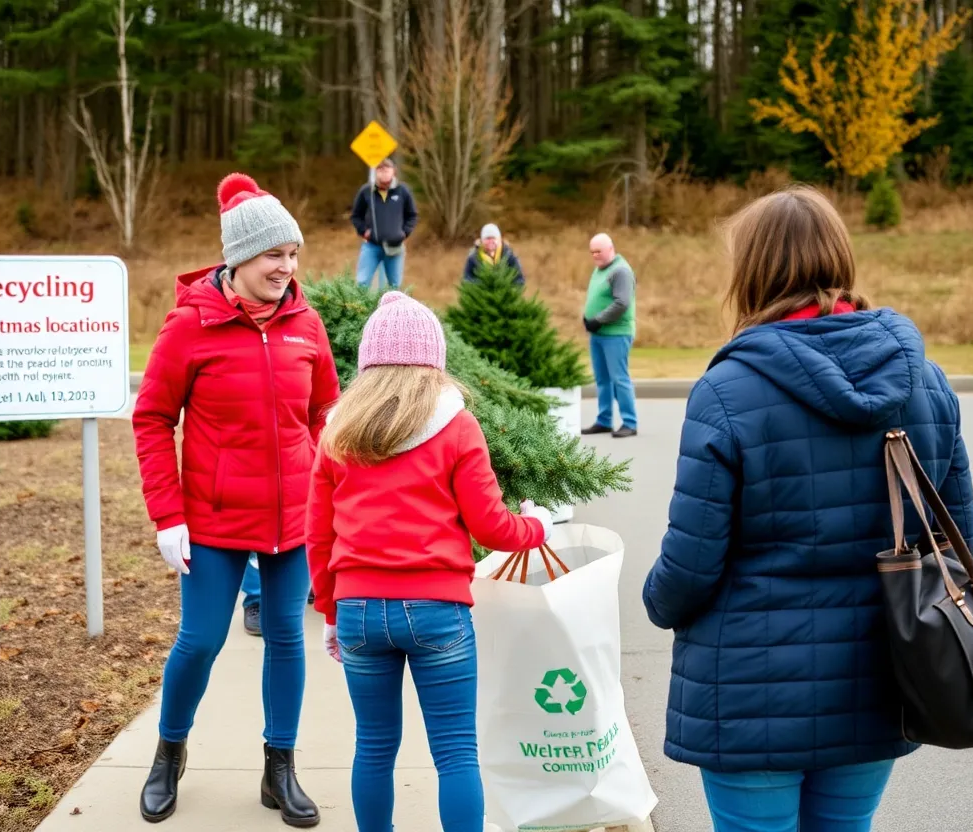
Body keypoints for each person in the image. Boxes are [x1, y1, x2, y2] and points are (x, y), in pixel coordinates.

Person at [642, 187, 973, 832]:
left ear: (754, 272)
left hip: (749, 690)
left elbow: (691, 562)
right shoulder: (926, 381)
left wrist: (658, 604)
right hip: (879, 675)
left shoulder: (728, 389)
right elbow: (954, 538)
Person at [133, 172, 340, 826]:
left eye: (293, 254)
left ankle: (280, 769)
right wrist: (168, 514)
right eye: (275, 255)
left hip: (295, 520)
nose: (288, 267)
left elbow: (325, 410)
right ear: (240, 257)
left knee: (286, 638)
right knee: (199, 640)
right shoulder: (191, 326)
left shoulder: (307, 322)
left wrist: (331, 481)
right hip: (214, 522)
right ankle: (169, 752)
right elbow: (152, 417)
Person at [306, 291, 554, 832]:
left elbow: (318, 537)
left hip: (359, 612)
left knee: (372, 746)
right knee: (456, 752)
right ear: (433, 362)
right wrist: (538, 527)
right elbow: (491, 527)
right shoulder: (458, 427)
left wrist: (330, 611)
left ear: (369, 363)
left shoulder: (338, 433)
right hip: (437, 609)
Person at [581, 233, 638, 438]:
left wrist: (598, 320)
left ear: (610, 249)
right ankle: (604, 420)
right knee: (602, 379)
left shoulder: (620, 270)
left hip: (616, 333)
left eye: (599, 251)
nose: (595, 255)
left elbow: (622, 303)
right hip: (599, 334)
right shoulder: (600, 270)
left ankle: (629, 422)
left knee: (619, 378)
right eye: (592, 252)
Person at [351, 158, 419, 290]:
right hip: (372, 246)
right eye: (380, 170)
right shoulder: (367, 191)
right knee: (362, 283)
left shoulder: (402, 191)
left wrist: (404, 233)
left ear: (394, 172)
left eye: (387, 169)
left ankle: (393, 310)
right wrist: (363, 231)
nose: (384, 173)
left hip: (395, 247)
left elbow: (412, 215)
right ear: (376, 172)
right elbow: (356, 215)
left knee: (394, 286)